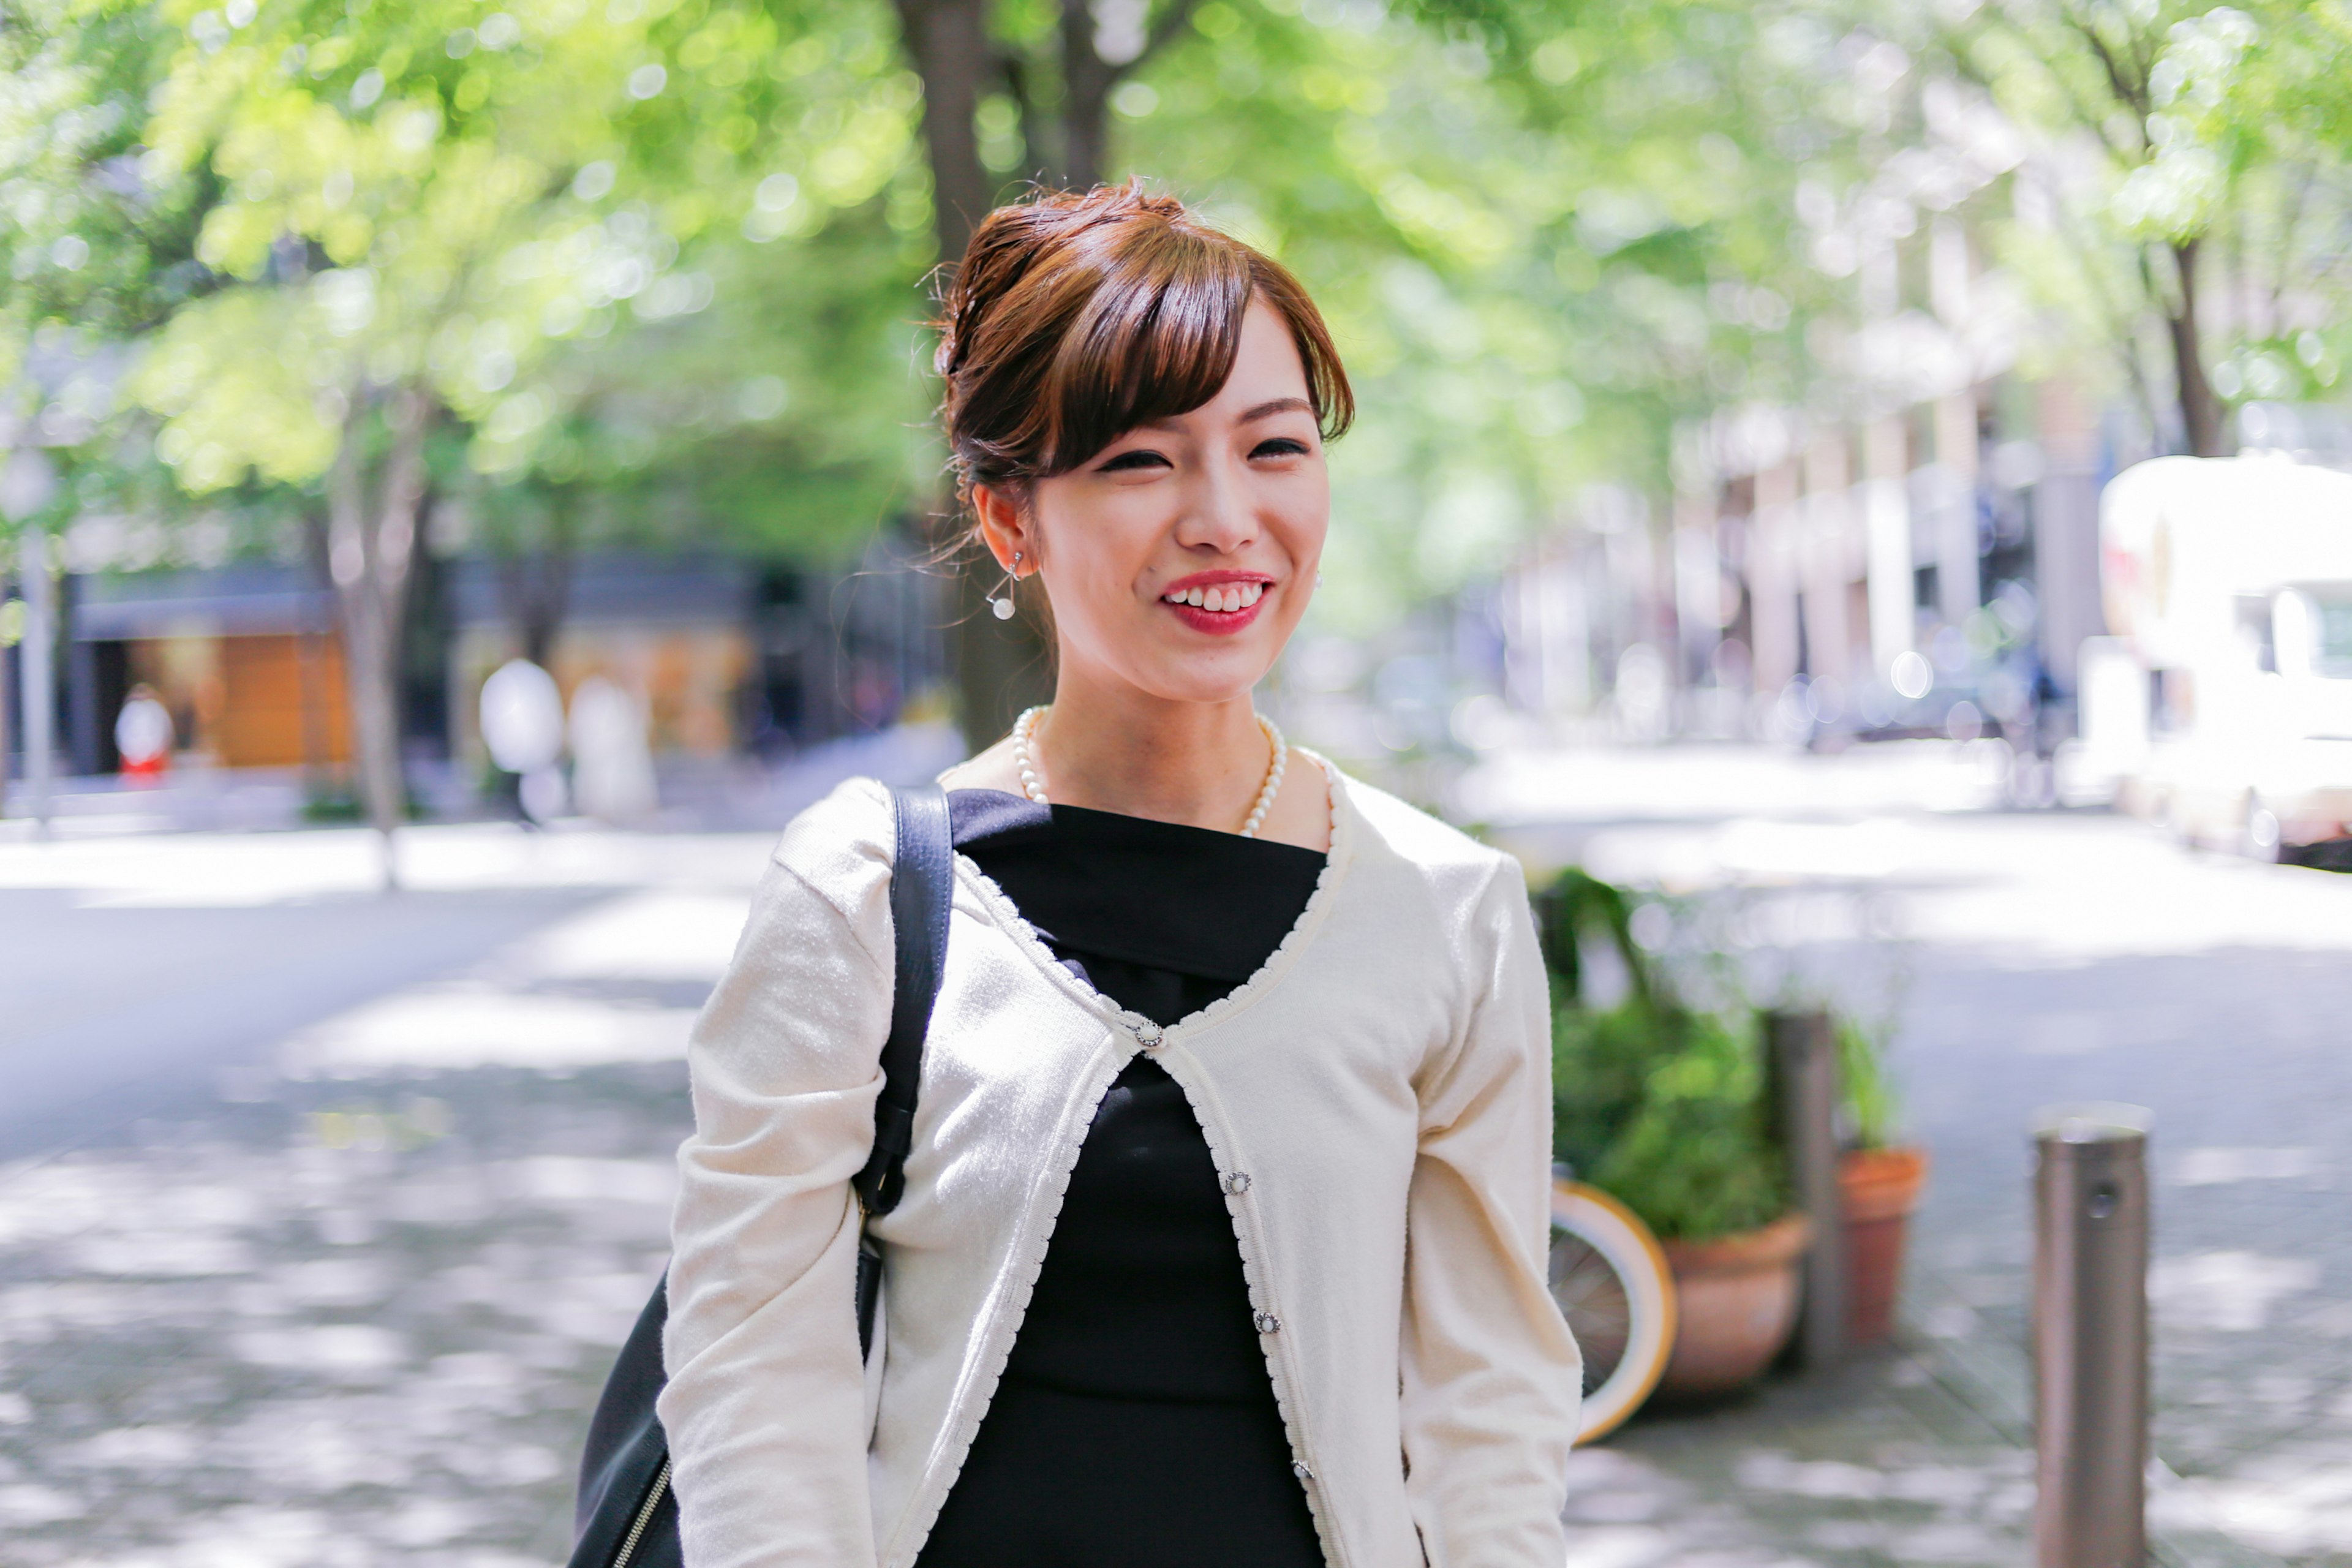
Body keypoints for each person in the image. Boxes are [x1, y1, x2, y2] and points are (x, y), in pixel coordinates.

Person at [660, 183, 1580, 1568]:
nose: (1225, 518)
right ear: (1011, 519)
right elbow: (749, 1373)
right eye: (1143, 462)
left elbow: (1490, 1413)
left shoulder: (1446, 913)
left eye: (1274, 448)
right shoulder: (863, 896)